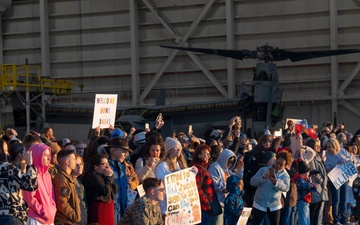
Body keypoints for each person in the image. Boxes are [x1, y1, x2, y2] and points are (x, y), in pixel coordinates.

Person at [0, 141, 38, 225]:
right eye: (5, 150)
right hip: (11, 216)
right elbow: (31, 185)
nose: (8, 154)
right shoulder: (7, 168)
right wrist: (30, 164)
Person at [250, 153, 290, 225]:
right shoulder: (264, 170)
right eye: (277, 163)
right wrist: (262, 178)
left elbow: (286, 188)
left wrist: (276, 183)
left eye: (281, 165)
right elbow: (252, 182)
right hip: (260, 202)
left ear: (285, 166)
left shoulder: (285, 175)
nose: (278, 166)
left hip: (274, 205)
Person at [23, 143, 57, 225]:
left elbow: (52, 194)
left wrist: (53, 208)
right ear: (36, 156)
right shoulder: (31, 174)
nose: (49, 158)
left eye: (49, 155)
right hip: (36, 218)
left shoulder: (47, 174)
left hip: (50, 218)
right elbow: (29, 198)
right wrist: (42, 211)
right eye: (44, 155)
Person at [107, 137, 139, 224]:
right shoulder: (106, 166)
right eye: (124, 151)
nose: (126, 154)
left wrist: (130, 184)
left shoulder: (124, 166)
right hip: (112, 209)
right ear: (115, 150)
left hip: (124, 207)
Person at [208, 148, 244, 225]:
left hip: (225, 203)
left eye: (232, 162)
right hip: (217, 203)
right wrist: (225, 185)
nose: (230, 164)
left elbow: (237, 182)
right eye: (229, 161)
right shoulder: (215, 167)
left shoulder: (227, 170)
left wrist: (240, 169)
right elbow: (212, 184)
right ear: (224, 158)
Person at [155, 137, 188, 217]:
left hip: (181, 206)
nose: (179, 149)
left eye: (180, 147)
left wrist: (192, 173)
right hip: (168, 207)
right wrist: (163, 210)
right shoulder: (162, 166)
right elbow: (159, 188)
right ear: (169, 150)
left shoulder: (181, 165)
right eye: (176, 147)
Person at [324, 138, 355, 225]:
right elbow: (327, 165)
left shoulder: (342, 151)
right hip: (334, 178)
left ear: (335, 145)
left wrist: (343, 161)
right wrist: (337, 165)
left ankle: (344, 219)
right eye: (327, 147)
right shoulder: (328, 154)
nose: (329, 149)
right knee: (336, 199)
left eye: (330, 147)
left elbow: (350, 157)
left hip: (343, 177)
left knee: (343, 199)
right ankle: (336, 220)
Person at [84, 154, 117, 225]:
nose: (107, 167)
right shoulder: (92, 175)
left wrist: (111, 176)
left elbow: (114, 190)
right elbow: (105, 191)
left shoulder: (105, 175)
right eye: (103, 164)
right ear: (96, 167)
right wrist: (108, 177)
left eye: (107, 164)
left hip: (108, 207)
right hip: (99, 208)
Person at [53, 149, 81, 224]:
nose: (75, 161)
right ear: (67, 162)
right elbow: (62, 203)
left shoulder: (67, 178)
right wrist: (75, 216)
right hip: (64, 221)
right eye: (74, 159)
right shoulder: (62, 180)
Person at [191, 144, 217, 225]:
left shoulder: (204, 167)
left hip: (205, 206)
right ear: (199, 155)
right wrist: (206, 201)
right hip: (202, 207)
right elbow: (196, 187)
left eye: (209, 153)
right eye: (206, 153)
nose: (209, 156)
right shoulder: (198, 169)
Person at [307, 138, 328, 225]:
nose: (319, 147)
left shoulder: (318, 156)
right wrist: (321, 180)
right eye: (316, 146)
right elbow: (314, 171)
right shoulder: (312, 158)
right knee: (314, 212)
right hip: (316, 187)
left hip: (321, 188)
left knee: (318, 212)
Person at [293, 160, 317, 225]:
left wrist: (312, 173)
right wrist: (311, 185)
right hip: (302, 201)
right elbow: (302, 185)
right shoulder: (300, 179)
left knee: (306, 218)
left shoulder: (302, 178)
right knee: (303, 219)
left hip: (305, 201)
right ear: (305, 172)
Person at [71, 155, 87, 225]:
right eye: (76, 165)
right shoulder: (69, 182)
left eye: (81, 164)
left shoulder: (80, 182)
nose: (80, 167)